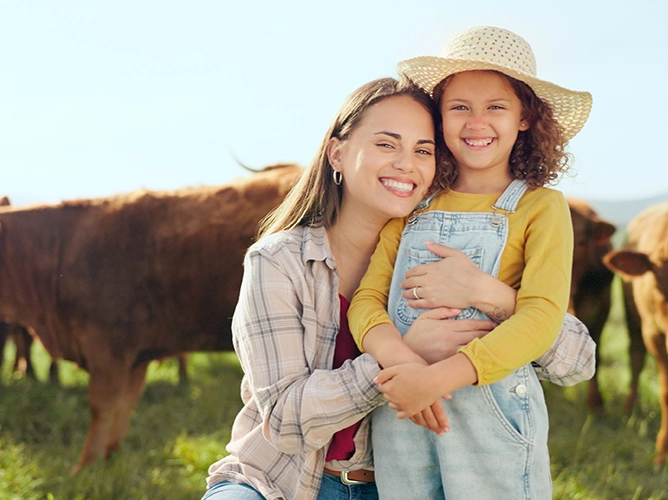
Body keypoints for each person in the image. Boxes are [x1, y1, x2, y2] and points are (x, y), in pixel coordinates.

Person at [202, 77, 513, 500]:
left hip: (405, 488)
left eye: (423, 150)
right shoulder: (278, 261)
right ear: (338, 153)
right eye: (387, 144)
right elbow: (285, 420)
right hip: (278, 482)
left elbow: (575, 360)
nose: (407, 163)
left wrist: (490, 294)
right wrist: (401, 351)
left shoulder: (449, 254)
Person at [348, 26, 593, 499]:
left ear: (525, 118)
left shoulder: (540, 207)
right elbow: (366, 302)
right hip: (401, 413)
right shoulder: (413, 204)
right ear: (439, 117)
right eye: (459, 107)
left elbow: (541, 318)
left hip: (495, 416)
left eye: (495, 107)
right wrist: (407, 368)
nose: (476, 122)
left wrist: (437, 378)